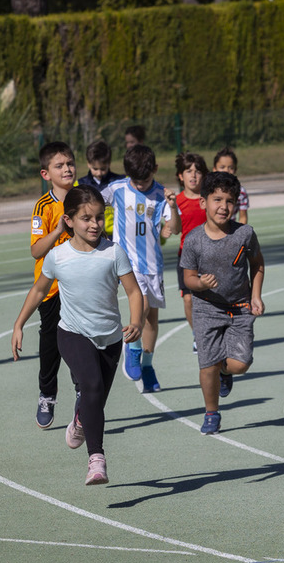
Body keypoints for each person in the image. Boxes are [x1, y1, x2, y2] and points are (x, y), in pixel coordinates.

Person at [12, 186, 144, 485]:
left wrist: (136, 320)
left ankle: (81, 419)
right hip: (72, 333)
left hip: (110, 339)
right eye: (86, 218)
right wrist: (19, 324)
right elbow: (39, 290)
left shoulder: (114, 252)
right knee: (92, 386)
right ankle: (96, 460)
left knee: (95, 399)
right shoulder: (58, 256)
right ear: (69, 220)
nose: (94, 224)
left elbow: (134, 292)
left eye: (99, 217)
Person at [181, 171, 265, 435]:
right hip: (206, 308)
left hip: (240, 308)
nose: (224, 206)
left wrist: (255, 295)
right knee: (206, 365)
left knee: (240, 364)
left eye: (229, 201)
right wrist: (201, 284)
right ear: (204, 202)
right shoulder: (194, 240)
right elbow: (188, 279)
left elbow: (257, 264)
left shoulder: (245, 235)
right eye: (217, 199)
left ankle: (224, 371)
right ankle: (211, 413)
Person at [101, 144, 180, 393]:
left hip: (152, 264)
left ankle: (147, 364)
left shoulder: (160, 194)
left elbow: (174, 228)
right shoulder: (117, 189)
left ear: (155, 169)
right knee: (142, 303)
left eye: (146, 179)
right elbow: (93, 202)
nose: (141, 185)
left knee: (152, 319)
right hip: (126, 261)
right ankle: (132, 347)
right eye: (136, 180)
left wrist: (173, 206)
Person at [29, 141, 77, 428]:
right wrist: (58, 229)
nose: (67, 169)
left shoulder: (84, 198)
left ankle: (83, 390)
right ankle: (47, 394)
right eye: (59, 165)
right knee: (51, 345)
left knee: (82, 340)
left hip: (81, 285)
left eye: (70, 163)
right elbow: (36, 251)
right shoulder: (43, 207)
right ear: (46, 174)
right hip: (52, 288)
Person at [174, 152, 209, 353]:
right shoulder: (177, 201)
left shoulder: (209, 200)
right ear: (181, 175)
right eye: (188, 171)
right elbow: (172, 227)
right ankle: (197, 334)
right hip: (186, 257)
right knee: (188, 299)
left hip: (211, 256)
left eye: (197, 171)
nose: (193, 175)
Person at [77, 139, 124, 237]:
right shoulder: (79, 184)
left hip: (117, 235)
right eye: (95, 169)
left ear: (109, 163)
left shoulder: (121, 182)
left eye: (103, 169)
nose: (99, 173)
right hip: (91, 234)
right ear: (88, 164)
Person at [213, 147, 249, 224]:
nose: (226, 170)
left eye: (231, 167)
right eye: (222, 167)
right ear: (214, 169)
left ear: (235, 169)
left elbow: (243, 217)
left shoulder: (241, 192)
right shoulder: (209, 189)